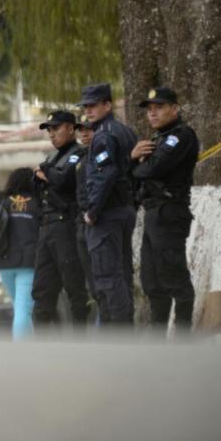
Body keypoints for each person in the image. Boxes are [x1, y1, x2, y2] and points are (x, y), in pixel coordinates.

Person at [130, 87, 199, 333]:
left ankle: (182, 337)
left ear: (174, 108)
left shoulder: (180, 135)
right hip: (153, 212)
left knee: (174, 277)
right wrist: (133, 160)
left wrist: (136, 165)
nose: (153, 113)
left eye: (159, 107)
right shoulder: (158, 139)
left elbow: (153, 169)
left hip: (170, 211)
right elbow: (139, 175)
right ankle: (158, 344)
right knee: (152, 281)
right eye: (149, 109)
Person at [78, 83, 138, 326]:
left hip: (107, 213)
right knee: (121, 275)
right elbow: (131, 169)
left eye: (94, 105)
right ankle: (125, 333)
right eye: (86, 106)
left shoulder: (104, 135)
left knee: (108, 277)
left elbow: (104, 175)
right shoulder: (126, 131)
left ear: (107, 105)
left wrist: (92, 212)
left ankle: (120, 339)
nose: (88, 110)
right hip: (124, 210)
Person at [31, 110, 89, 328]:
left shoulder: (78, 153)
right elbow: (39, 183)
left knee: (74, 286)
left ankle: (80, 341)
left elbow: (63, 180)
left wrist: (44, 172)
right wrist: (44, 173)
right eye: (49, 130)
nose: (51, 134)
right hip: (47, 226)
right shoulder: (53, 157)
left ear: (71, 128)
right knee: (41, 289)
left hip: (66, 225)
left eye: (56, 128)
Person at [0, 168, 40, 341]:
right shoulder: (37, 203)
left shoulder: (1, 201)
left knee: (19, 308)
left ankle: (26, 345)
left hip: (4, 261)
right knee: (23, 309)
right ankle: (22, 352)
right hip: (28, 263)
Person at [75, 115, 98, 302]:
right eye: (81, 129)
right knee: (93, 286)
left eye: (88, 129)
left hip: (97, 220)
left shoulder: (102, 154)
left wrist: (92, 212)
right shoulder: (82, 156)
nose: (84, 133)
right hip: (83, 222)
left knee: (105, 282)